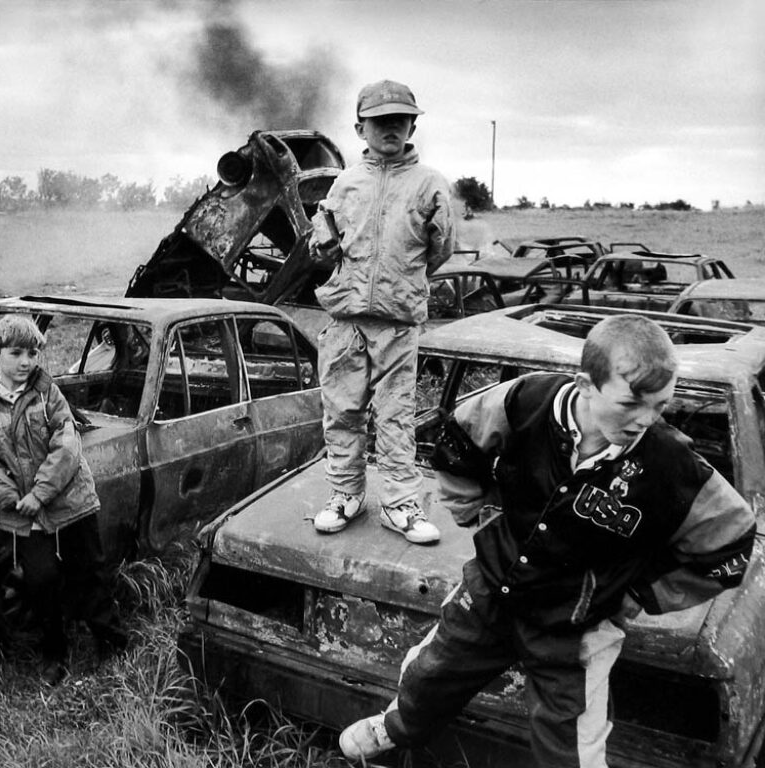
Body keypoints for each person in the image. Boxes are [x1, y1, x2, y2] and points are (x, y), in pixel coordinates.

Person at [338, 314, 757, 767]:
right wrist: (477, 518)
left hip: (575, 628)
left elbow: (731, 544)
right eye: (631, 403)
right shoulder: (527, 401)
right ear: (585, 383)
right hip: (489, 593)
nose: (644, 420)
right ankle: (396, 729)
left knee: (572, 750)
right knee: (429, 676)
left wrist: (636, 595)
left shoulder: (672, 465)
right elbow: (458, 441)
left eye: (660, 406)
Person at [310, 79, 455, 544]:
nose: (391, 128)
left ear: (412, 124)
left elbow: (440, 249)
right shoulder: (346, 183)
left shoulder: (430, 184)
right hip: (346, 320)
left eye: (400, 119)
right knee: (342, 411)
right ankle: (345, 495)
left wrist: (398, 282)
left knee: (396, 416)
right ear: (360, 128)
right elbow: (324, 243)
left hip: (397, 323)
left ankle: (399, 505)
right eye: (380, 121)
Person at [0, 314, 127, 685]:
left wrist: (40, 493)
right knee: (41, 579)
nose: (26, 361)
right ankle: (54, 652)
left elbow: (66, 446)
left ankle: (111, 644)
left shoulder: (48, 392)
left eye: (32, 353)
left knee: (91, 572)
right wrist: (10, 496)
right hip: (24, 512)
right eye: (16, 353)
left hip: (71, 499)